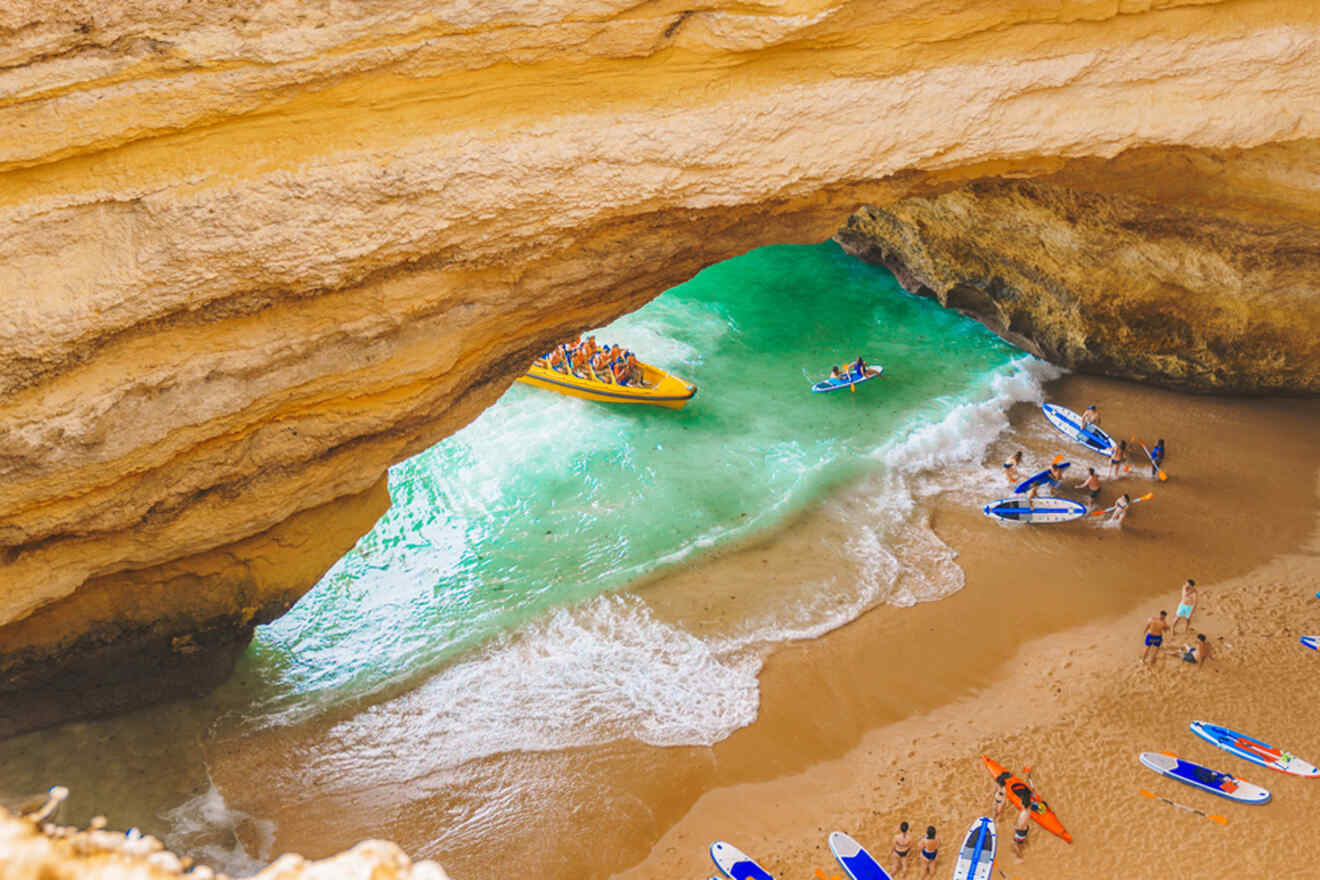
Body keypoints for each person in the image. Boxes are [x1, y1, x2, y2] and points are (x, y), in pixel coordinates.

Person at [1012, 796, 1031, 861]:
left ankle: (1019, 857)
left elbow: (1020, 827)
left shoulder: (1024, 814)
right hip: (1025, 829)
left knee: (1015, 844)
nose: (1020, 803)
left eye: (1021, 803)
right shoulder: (1028, 810)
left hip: (1021, 831)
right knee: (1019, 843)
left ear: (1023, 805)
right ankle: (1022, 845)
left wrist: (1015, 827)